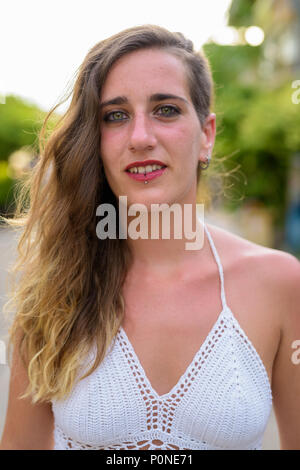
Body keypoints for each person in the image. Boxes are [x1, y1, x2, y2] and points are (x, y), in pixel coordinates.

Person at [0, 24, 300, 451]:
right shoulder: (54, 286)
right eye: (115, 116)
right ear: (96, 140)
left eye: (166, 110)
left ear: (206, 135)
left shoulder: (280, 283)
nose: (140, 137)